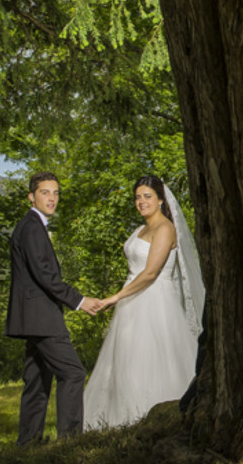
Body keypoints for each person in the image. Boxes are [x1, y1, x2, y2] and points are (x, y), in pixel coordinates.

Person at [83, 175, 205, 430]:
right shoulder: (139, 229)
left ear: (160, 199)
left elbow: (150, 273)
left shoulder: (165, 228)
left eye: (147, 196)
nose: (141, 202)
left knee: (149, 358)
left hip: (154, 302)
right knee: (124, 361)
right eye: (137, 197)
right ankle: (119, 418)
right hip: (132, 301)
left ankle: (148, 415)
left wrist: (115, 297)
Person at [6, 172, 102, 446]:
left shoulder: (30, 225)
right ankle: (70, 442)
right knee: (73, 373)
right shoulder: (32, 227)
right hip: (42, 317)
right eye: (45, 192)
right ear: (31, 196)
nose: (52, 198)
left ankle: (28, 442)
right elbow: (45, 274)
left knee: (37, 379)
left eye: (56, 193)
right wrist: (80, 301)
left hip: (33, 318)